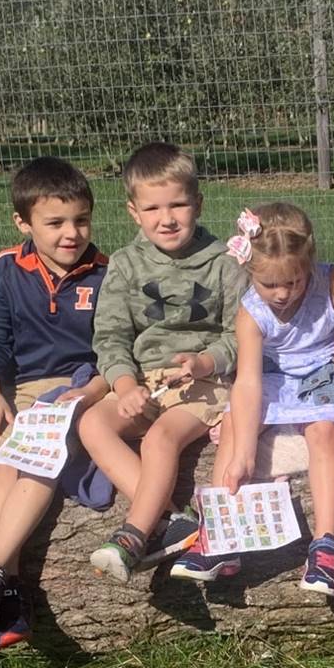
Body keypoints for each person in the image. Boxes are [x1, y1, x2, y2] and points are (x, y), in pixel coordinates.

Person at [0, 156, 109, 648]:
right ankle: (8, 589)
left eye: (80, 220)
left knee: (39, 455)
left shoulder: (107, 274)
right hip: (22, 390)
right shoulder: (7, 270)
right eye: (55, 222)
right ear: (23, 222)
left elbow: (115, 349)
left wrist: (92, 389)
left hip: (80, 386)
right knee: (2, 460)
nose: (71, 233)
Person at [80, 143, 244, 580]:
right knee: (92, 424)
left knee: (159, 439)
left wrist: (208, 360)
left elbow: (242, 334)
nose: (166, 218)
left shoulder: (224, 262)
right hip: (147, 383)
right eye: (152, 208)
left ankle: (135, 532)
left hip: (203, 384)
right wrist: (123, 384)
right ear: (134, 212)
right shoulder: (126, 264)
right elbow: (111, 335)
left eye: (178, 205)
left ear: (198, 204)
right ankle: (174, 520)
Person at [209, 202, 334, 593]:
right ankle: (220, 529)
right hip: (276, 377)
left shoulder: (333, 283)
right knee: (234, 421)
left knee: (324, 430)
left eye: (294, 281)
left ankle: (325, 544)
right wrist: (244, 453)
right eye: (270, 284)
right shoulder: (251, 312)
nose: (283, 293)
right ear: (250, 271)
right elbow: (249, 381)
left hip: (326, 370)